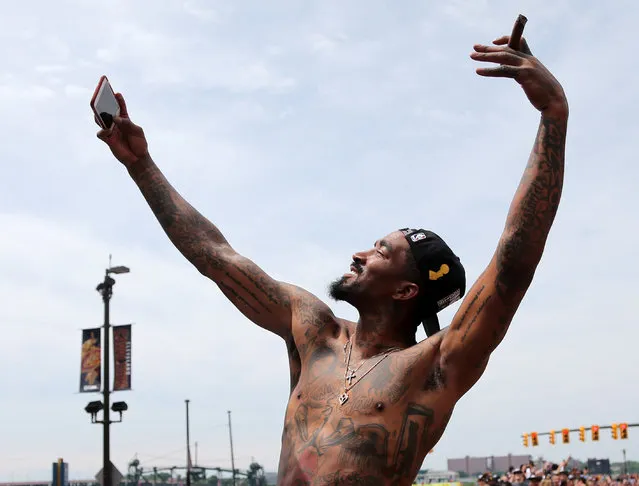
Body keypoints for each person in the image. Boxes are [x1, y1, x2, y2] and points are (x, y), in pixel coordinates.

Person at [97, 30, 568, 486]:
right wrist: (141, 166)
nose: (360, 254)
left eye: (381, 252)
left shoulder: (434, 366)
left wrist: (552, 114)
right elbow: (216, 256)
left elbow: (512, 263)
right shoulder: (313, 331)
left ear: (407, 290)